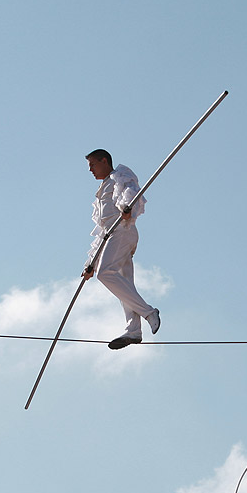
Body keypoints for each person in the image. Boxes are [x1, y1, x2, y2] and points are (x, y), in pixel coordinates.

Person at [82, 149, 161, 350]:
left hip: (122, 231)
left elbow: (131, 190)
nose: (90, 169)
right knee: (124, 284)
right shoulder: (100, 191)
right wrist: (91, 262)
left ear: (104, 160)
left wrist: (127, 207)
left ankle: (148, 312)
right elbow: (101, 229)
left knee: (106, 273)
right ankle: (133, 330)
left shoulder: (119, 174)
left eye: (92, 164)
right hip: (111, 234)